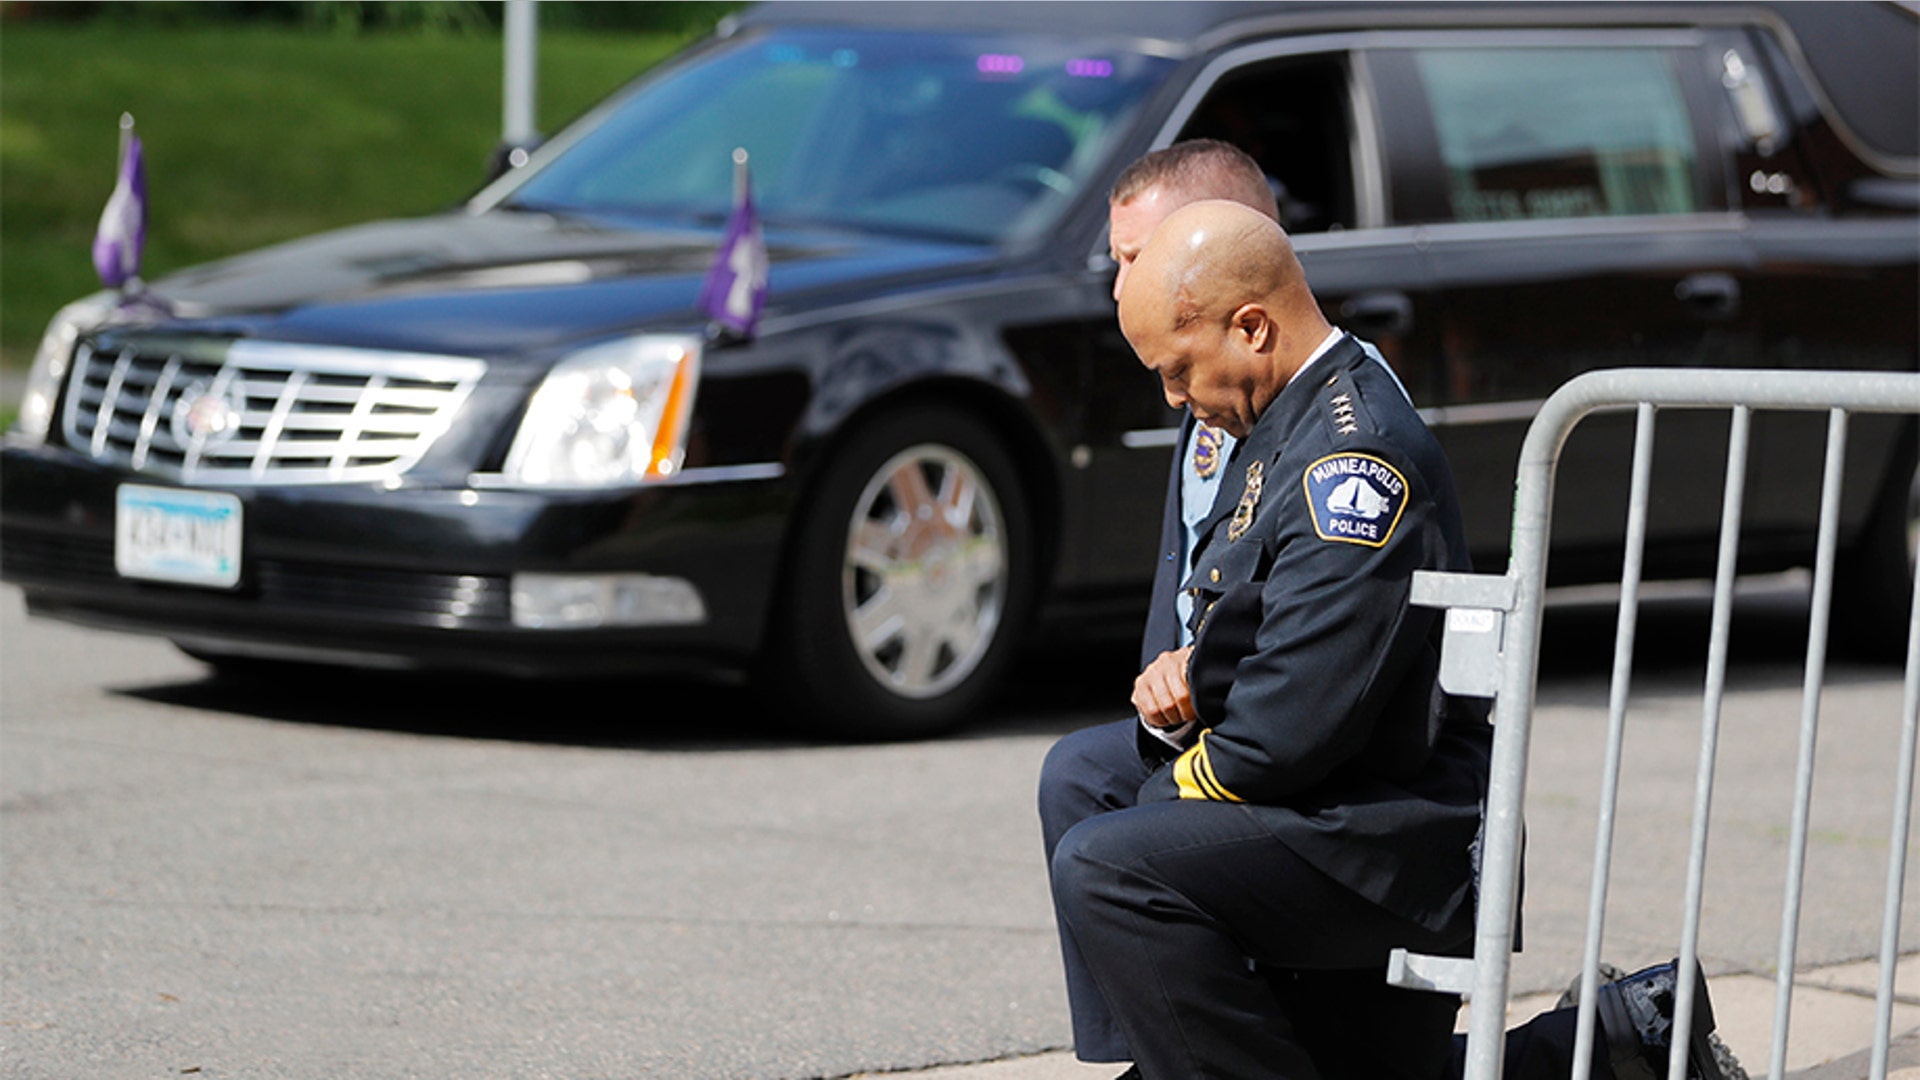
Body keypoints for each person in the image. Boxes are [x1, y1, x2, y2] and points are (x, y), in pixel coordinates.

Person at [1040, 199, 1732, 1080]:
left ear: (1252, 328)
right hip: (1334, 799)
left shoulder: (1353, 462)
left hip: (1389, 836)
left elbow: (1285, 732)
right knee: (1084, 776)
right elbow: (1244, 642)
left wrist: (1165, 788)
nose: (1174, 398)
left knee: (1111, 863)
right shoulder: (1275, 416)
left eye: (1178, 371)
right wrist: (1172, 719)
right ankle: (1165, 1061)